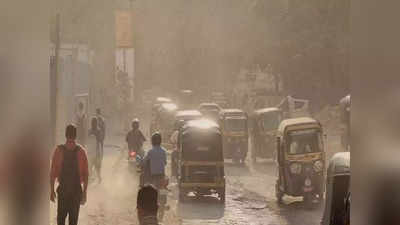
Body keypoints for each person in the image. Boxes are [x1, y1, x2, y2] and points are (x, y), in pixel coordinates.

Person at [50, 124, 89, 225]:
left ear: (65, 135)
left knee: (60, 220)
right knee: (73, 221)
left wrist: (51, 190)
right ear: (76, 136)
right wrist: (84, 193)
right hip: (76, 192)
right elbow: (86, 175)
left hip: (63, 192)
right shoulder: (82, 152)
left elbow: (52, 173)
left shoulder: (58, 150)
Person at [88, 117, 102, 183]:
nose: (93, 124)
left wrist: (99, 152)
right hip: (92, 151)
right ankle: (93, 178)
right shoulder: (91, 131)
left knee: (95, 166)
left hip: (95, 151)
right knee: (92, 166)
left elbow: (99, 142)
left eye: (94, 123)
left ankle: (98, 178)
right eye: (92, 123)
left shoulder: (97, 131)